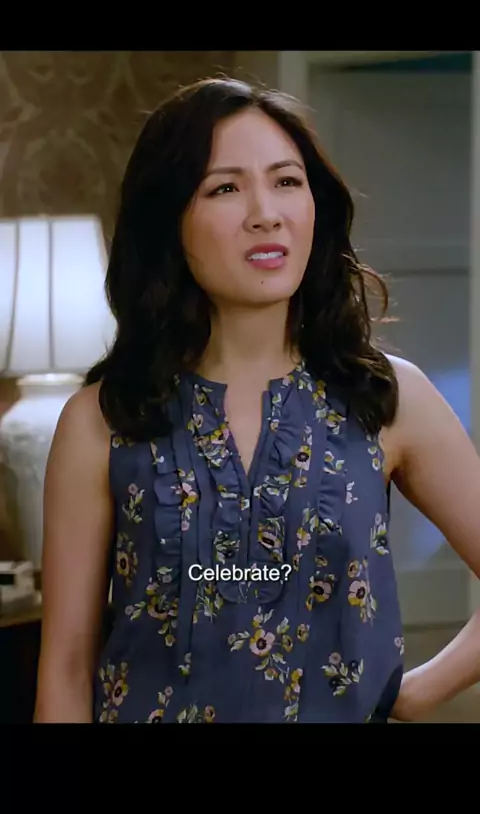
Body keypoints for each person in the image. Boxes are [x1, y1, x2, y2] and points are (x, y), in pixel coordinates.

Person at [34, 76, 480, 724]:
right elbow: (67, 669)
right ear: (169, 220)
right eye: (225, 188)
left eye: (286, 181)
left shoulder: (387, 396)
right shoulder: (102, 420)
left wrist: (414, 693)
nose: (265, 212)